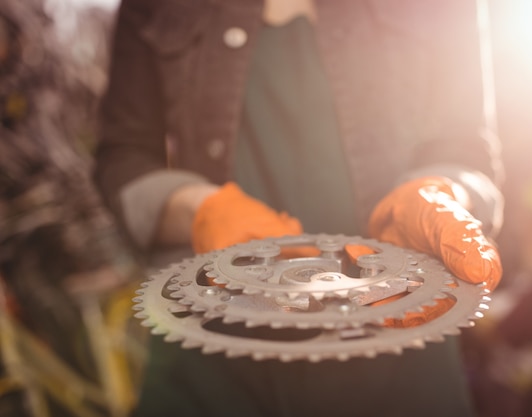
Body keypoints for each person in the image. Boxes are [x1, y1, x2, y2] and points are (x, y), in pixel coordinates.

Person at [94, 0, 505, 416]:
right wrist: (201, 210)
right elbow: (124, 157)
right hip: (209, 359)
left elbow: (465, 146)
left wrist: (437, 195)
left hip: (404, 353)